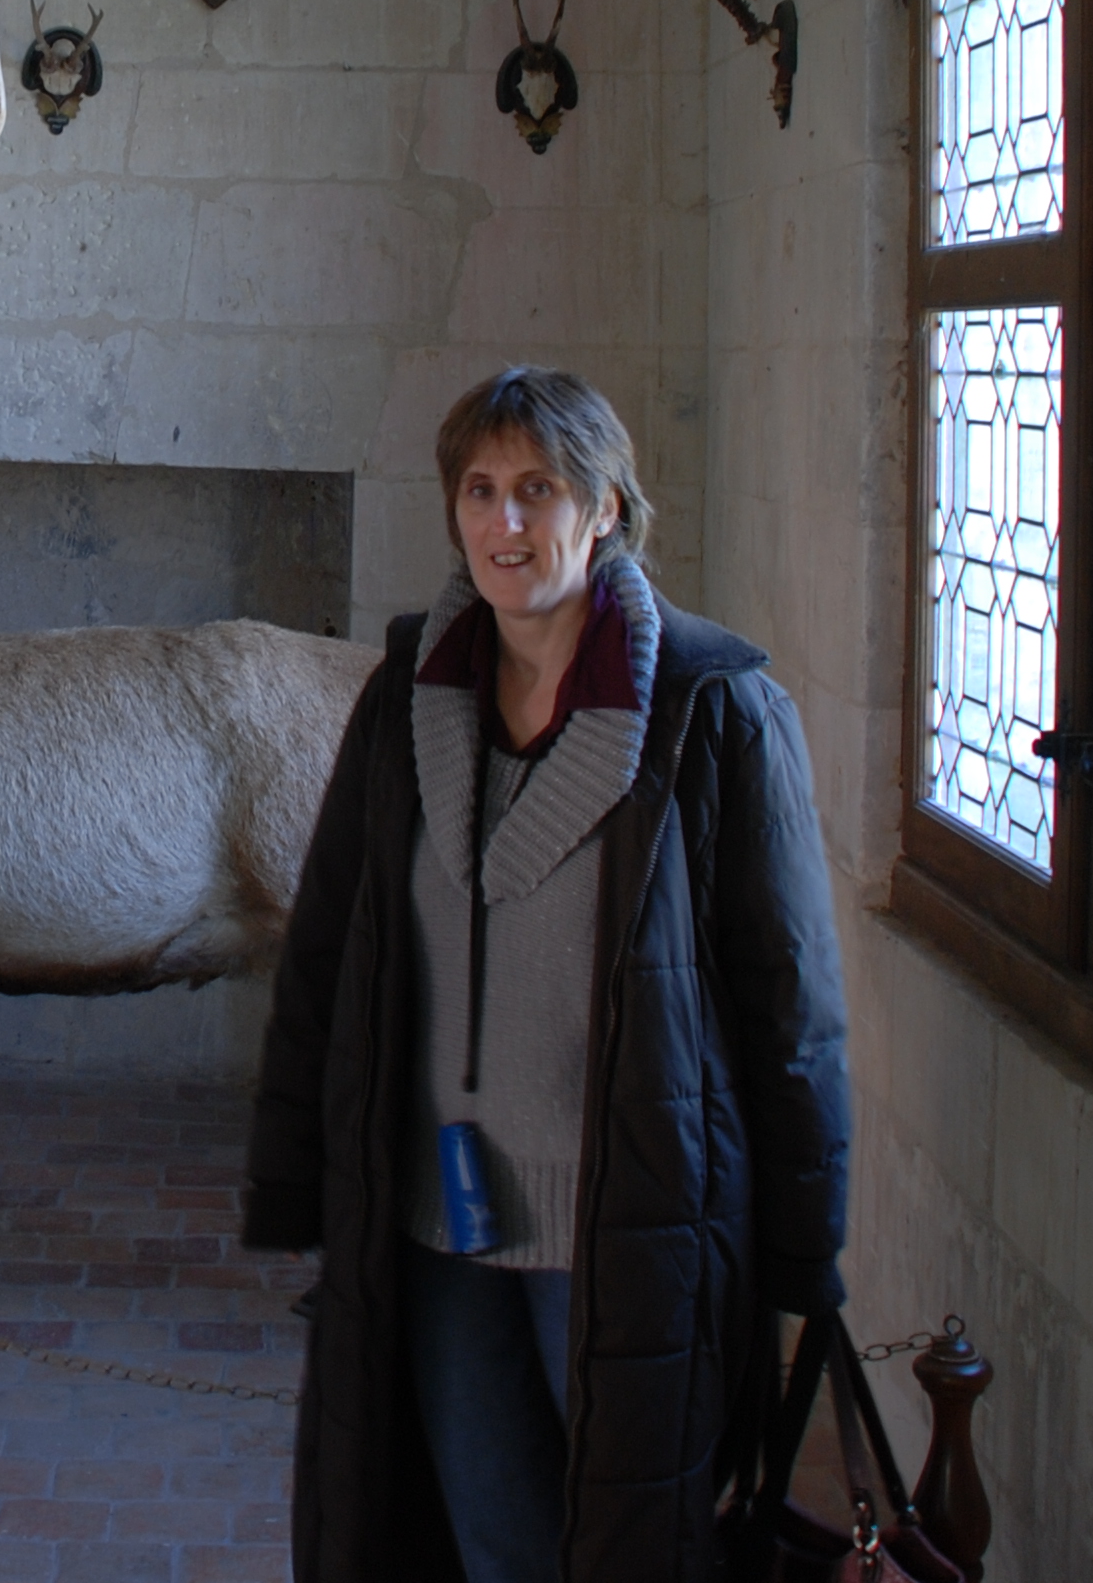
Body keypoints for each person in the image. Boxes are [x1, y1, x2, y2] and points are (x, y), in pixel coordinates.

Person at [243, 366, 850, 1582]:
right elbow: (331, 947)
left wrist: (803, 1253)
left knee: (631, 1550)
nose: (503, 523)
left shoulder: (713, 710)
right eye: (478, 490)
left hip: (625, 1234)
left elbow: (788, 1004)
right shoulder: (408, 694)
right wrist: (296, 1174)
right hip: (437, 1223)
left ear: (605, 507)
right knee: (488, 1539)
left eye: (537, 490)